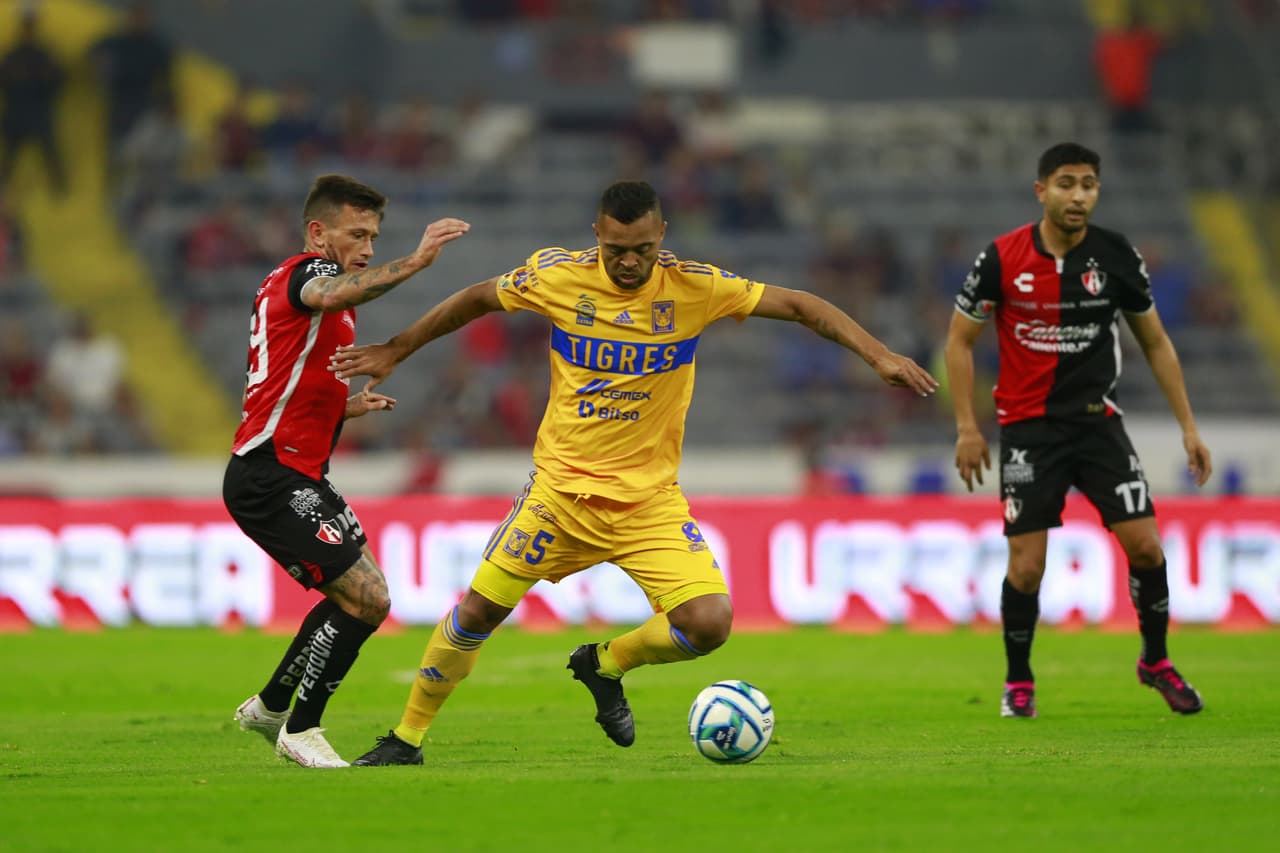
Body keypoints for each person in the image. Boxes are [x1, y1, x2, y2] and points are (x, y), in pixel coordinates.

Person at [327, 180, 938, 765]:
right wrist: (398, 347)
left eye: (643, 250)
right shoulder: (557, 275)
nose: (628, 263)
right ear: (596, 234)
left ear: (662, 235)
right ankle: (406, 738)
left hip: (649, 504)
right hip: (560, 496)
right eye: (616, 251)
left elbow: (802, 305)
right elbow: (478, 297)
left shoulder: (695, 287)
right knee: (478, 614)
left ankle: (604, 664)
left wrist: (879, 355)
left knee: (708, 624)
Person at [942, 142, 1212, 720]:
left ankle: (1155, 661)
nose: (1079, 195)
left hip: (1097, 425)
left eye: (1089, 184)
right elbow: (958, 340)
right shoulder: (1001, 258)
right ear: (1042, 191)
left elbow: (1156, 341)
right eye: (1067, 183)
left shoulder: (1116, 256)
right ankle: (1019, 680)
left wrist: (1188, 426)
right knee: (1027, 567)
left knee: (1145, 547)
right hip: (1028, 431)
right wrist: (967, 427)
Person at [222, 174, 469, 767]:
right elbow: (336, 293)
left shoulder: (305, 293)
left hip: (295, 468)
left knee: (352, 594)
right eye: (357, 234)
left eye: (374, 237)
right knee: (368, 599)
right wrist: (418, 260)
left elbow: (285, 379)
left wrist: (343, 406)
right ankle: (300, 730)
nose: (367, 247)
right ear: (318, 232)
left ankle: (272, 705)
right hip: (269, 474)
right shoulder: (307, 274)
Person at [0, 10, 66, 195]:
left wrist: (44, 79)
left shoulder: (44, 54)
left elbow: (59, 82)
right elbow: (4, 80)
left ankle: (61, 190)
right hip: (17, 112)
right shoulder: (13, 55)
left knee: (50, 156)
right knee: (9, 159)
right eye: (26, 26)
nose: (28, 31)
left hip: (38, 112)